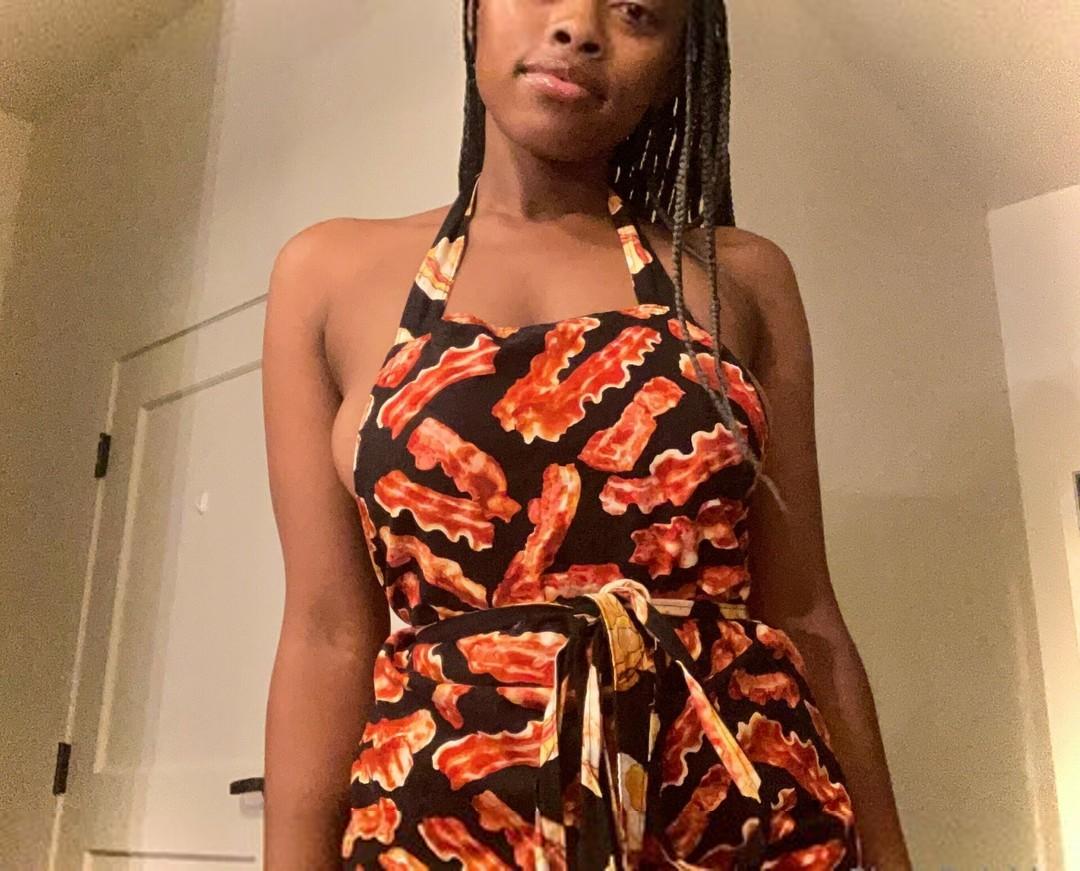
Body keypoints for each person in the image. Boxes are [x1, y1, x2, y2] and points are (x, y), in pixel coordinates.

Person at [261, 1, 911, 867]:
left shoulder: (740, 279)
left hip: (735, 822)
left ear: (675, 65)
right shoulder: (327, 274)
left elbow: (802, 611)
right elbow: (327, 634)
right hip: (440, 826)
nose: (578, 26)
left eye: (638, 10)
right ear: (475, 12)